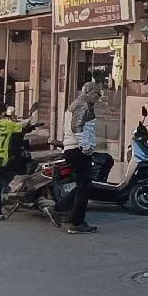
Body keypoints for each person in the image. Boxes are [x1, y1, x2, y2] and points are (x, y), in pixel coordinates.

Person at [61, 79, 103, 234]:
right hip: (77, 150)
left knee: (81, 184)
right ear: (90, 92)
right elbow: (77, 127)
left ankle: (61, 210)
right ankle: (76, 222)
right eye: (97, 94)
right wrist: (85, 146)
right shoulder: (83, 105)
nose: (98, 98)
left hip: (74, 149)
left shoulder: (79, 104)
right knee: (84, 186)